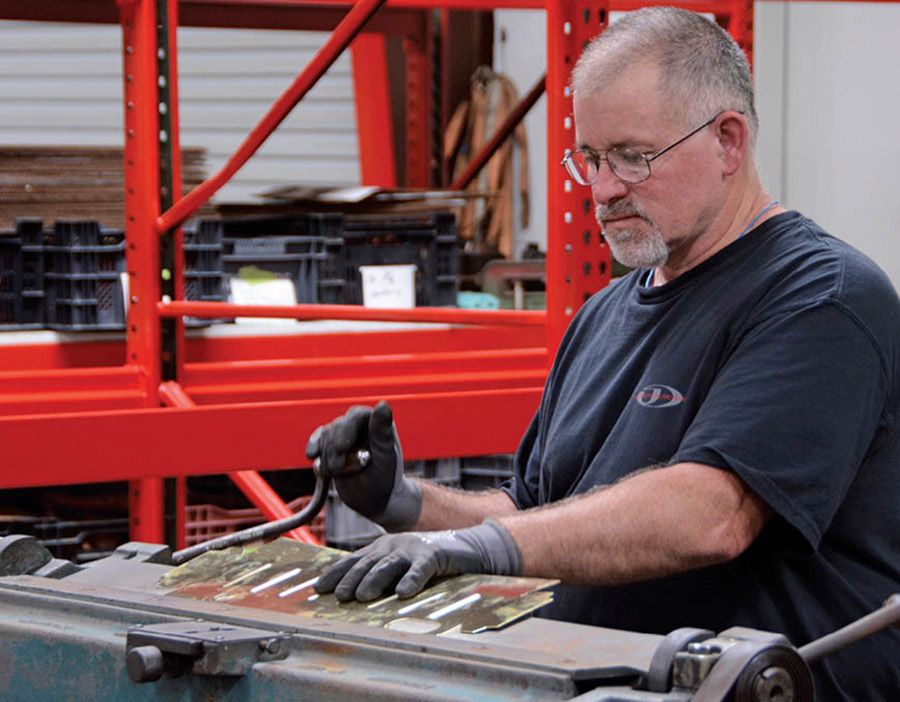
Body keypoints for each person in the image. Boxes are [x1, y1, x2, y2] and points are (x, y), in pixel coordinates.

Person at [306, 7, 900, 698]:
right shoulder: (603, 316)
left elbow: (713, 513)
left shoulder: (822, 297)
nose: (604, 189)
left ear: (728, 142)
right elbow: (535, 517)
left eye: (632, 157)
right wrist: (408, 505)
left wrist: (475, 549)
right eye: (589, 158)